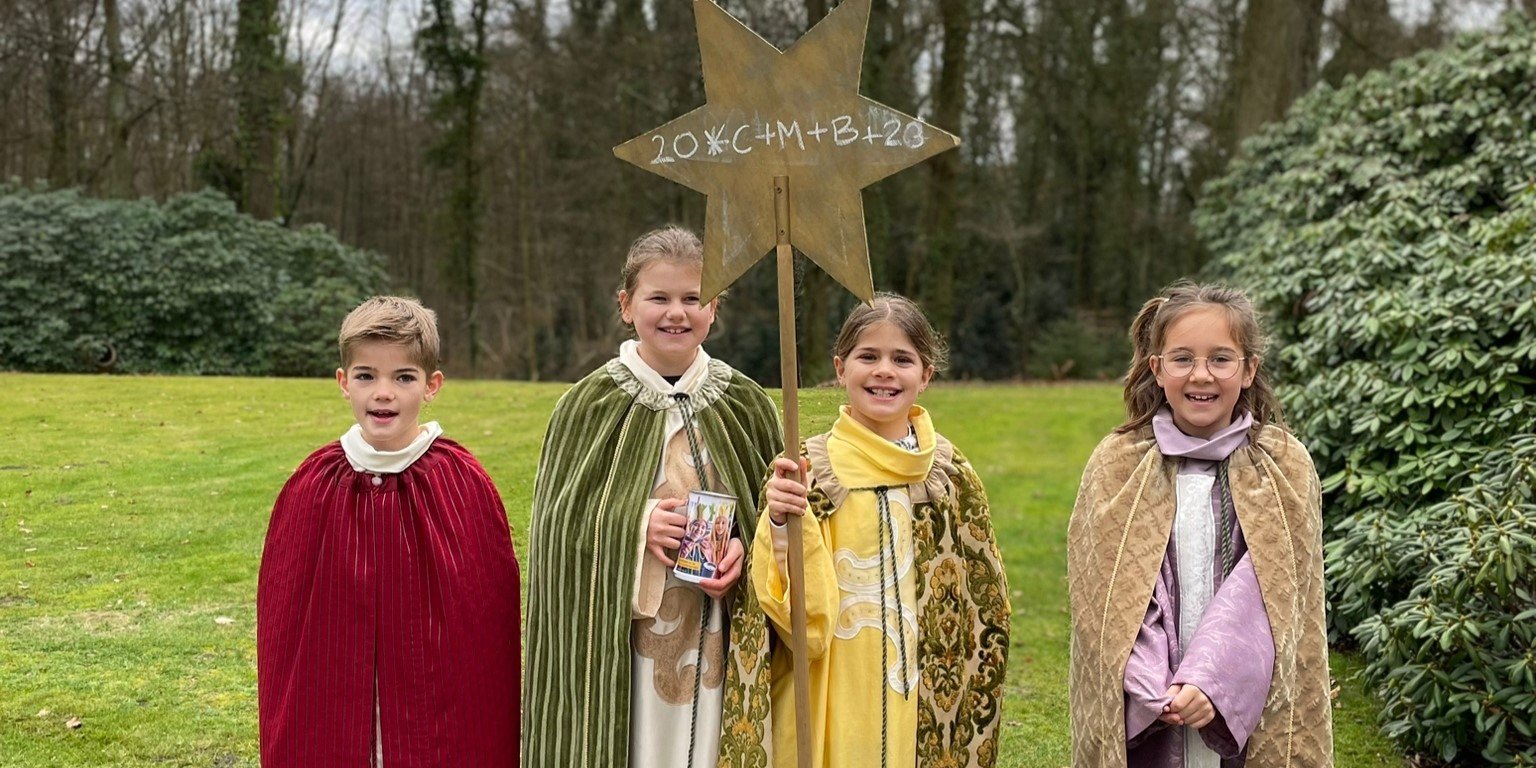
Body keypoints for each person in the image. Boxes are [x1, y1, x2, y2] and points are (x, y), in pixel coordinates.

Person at [521, 226, 783, 768]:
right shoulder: (588, 404)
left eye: (692, 299)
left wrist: (746, 550)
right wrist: (638, 524)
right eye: (658, 298)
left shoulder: (746, 404)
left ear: (714, 307)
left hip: (716, 630)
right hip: (624, 642)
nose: (675, 313)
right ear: (626, 305)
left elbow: (774, 518)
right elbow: (555, 526)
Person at [1067, 282, 1333, 767]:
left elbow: (1273, 588)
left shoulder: (1282, 463)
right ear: (1157, 368)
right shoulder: (1119, 463)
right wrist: (1151, 685)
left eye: (1221, 359)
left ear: (1249, 369)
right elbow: (1107, 592)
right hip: (1152, 694)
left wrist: (1213, 679)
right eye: (1183, 359)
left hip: (1243, 684)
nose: (1201, 376)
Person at [257, 295, 521, 767]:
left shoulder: (461, 483)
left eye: (403, 377)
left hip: (431, 700)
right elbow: (288, 619)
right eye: (366, 376)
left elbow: (482, 619)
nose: (384, 393)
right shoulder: (314, 483)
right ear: (343, 383)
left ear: (432, 384)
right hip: (339, 692)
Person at [752, 293, 1011, 768]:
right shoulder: (812, 472)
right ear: (840, 367)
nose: (884, 371)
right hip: (836, 681)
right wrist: (780, 524)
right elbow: (787, 606)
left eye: (902, 359)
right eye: (867, 356)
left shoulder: (948, 475)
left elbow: (982, 601)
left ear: (926, 375)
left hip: (923, 684)